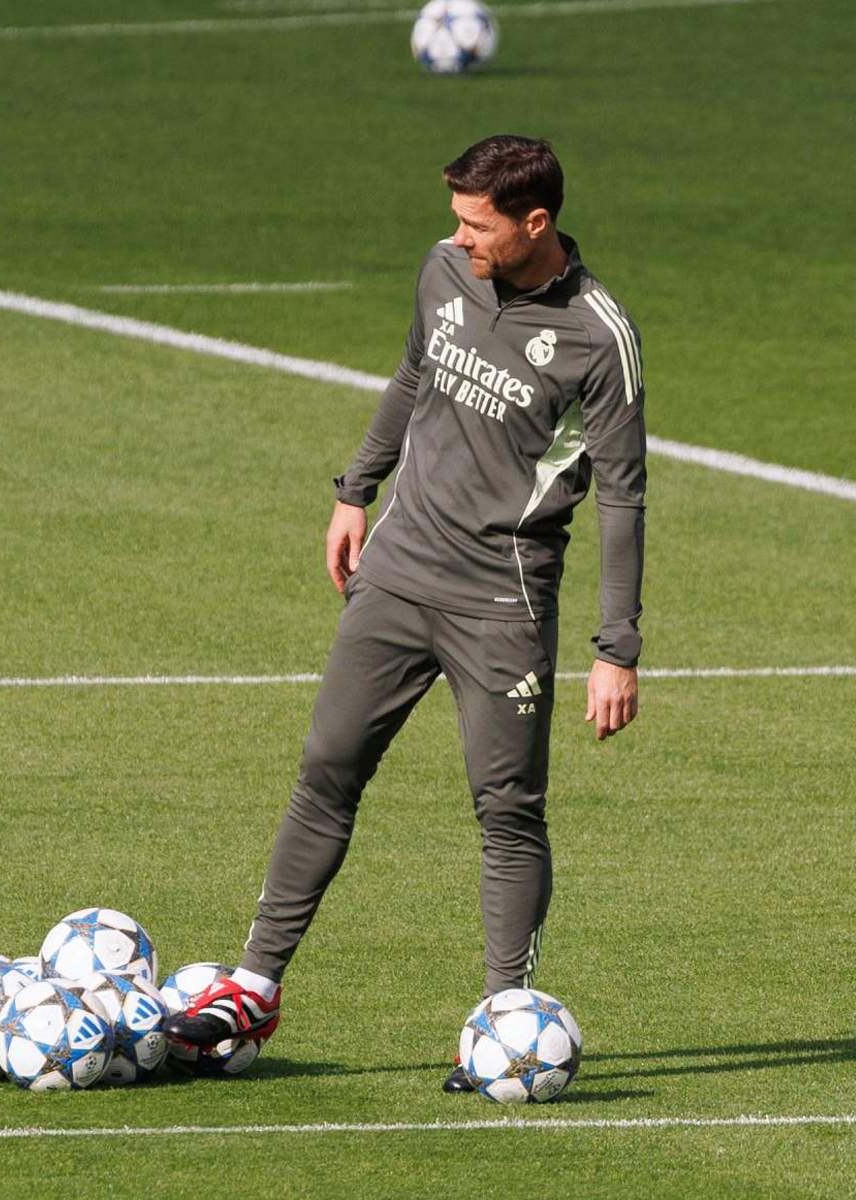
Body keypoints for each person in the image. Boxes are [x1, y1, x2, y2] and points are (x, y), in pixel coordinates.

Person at [164, 135, 646, 1092]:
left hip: (500, 604)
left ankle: (504, 1018)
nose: (460, 238)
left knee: (507, 812)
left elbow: (624, 495)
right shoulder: (442, 271)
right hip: (396, 574)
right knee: (326, 769)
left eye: (480, 224)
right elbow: (413, 378)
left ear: (534, 224)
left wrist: (615, 647)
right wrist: (356, 489)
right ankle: (252, 985)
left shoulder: (600, 338)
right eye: (458, 219)